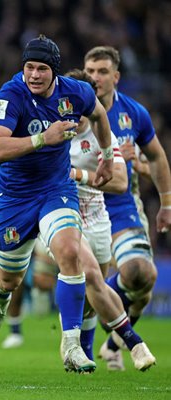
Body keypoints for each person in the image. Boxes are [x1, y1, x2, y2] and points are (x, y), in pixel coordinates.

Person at [0, 35, 114, 373]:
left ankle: (70, 344)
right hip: (15, 197)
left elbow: (99, 115)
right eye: (29, 67)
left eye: (42, 68)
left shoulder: (76, 92)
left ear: (54, 71)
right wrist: (44, 138)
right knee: (10, 278)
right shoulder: (10, 96)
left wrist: (107, 156)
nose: (34, 75)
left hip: (56, 189)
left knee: (70, 252)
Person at [83, 46, 171, 370]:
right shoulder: (70, 109)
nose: (95, 78)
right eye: (90, 71)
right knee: (139, 293)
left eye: (102, 72)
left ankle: (103, 314)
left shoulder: (133, 113)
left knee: (141, 277)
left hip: (120, 205)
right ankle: (106, 335)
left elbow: (157, 157)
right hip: (78, 204)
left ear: (116, 76)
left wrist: (167, 204)